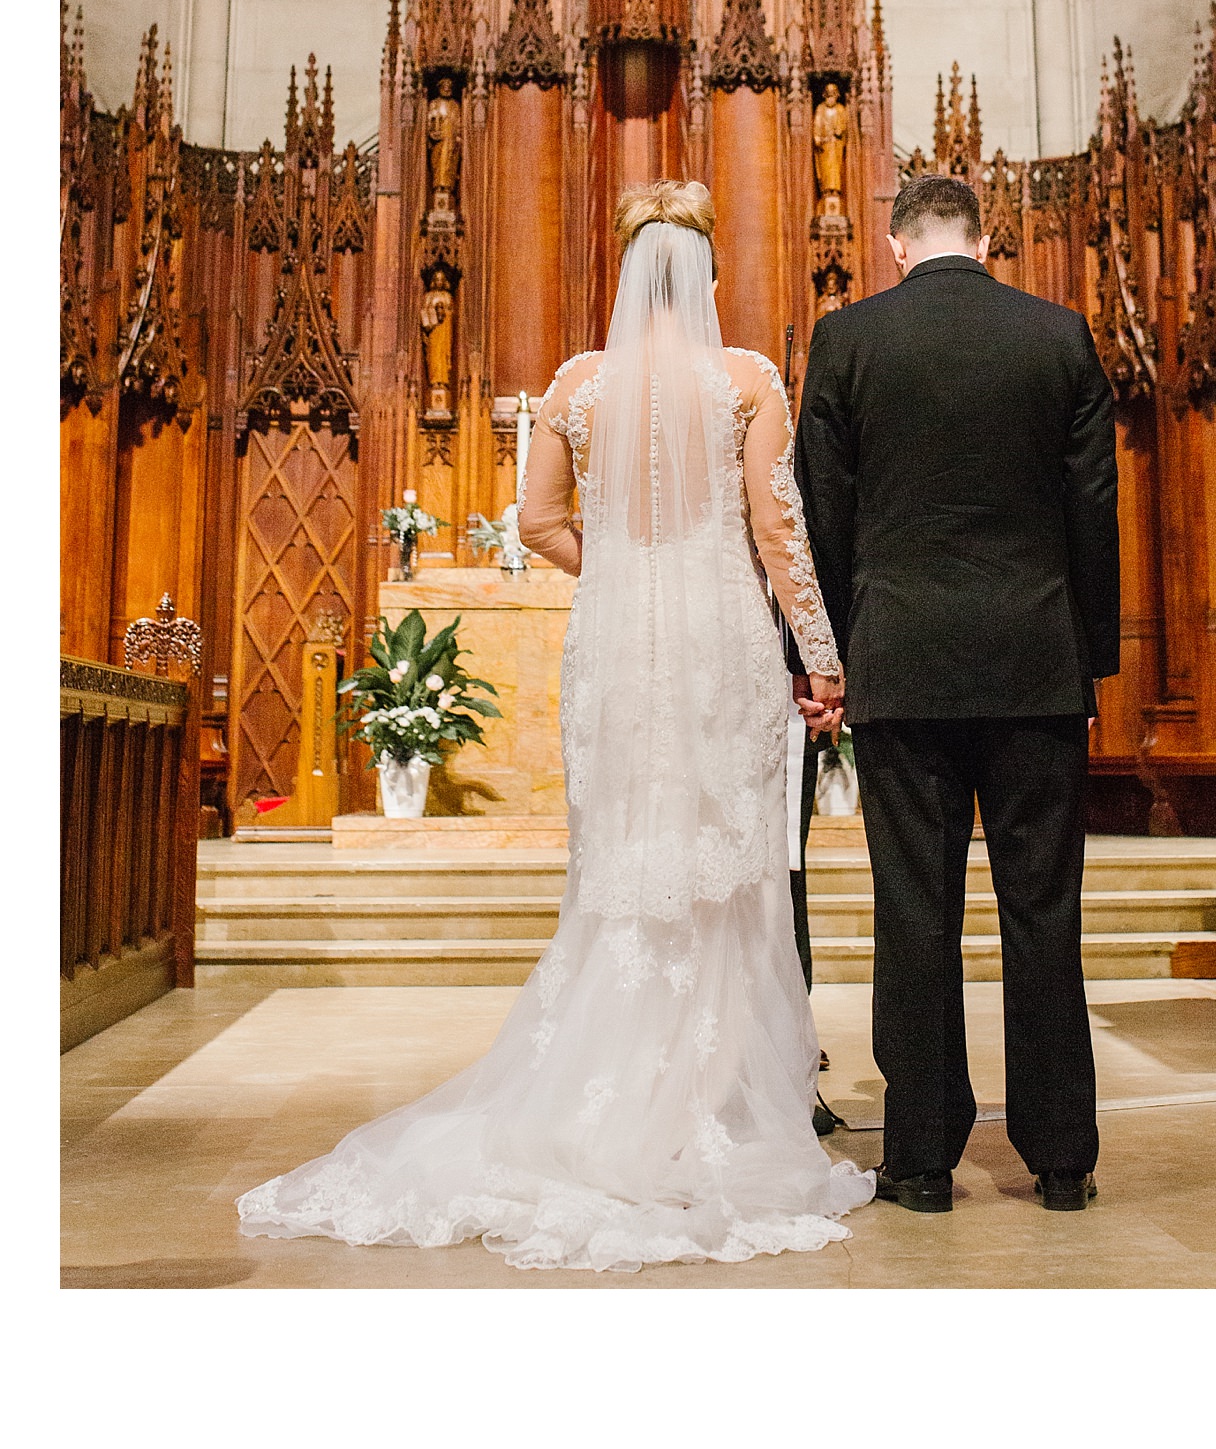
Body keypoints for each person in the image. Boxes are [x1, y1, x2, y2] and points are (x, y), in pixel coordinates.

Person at [237, 182, 873, 1273]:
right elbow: (778, 526)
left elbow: (536, 523)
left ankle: (610, 1088)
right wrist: (821, 654)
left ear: (624, 274)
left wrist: (624, 565)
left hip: (620, 643)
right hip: (722, 638)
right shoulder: (748, 379)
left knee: (626, 859)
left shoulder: (578, 385)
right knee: (725, 863)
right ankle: (714, 1103)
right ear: (707, 272)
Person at [794, 172, 1120, 1217]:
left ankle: (923, 1160)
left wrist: (833, 657)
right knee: (1043, 913)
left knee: (917, 913)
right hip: (1035, 664)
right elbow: (1093, 512)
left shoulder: (849, 340)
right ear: (989, 241)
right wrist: (1089, 660)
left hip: (905, 664)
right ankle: (1061, 1160)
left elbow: (823, 513)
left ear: (895, 245)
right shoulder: (1059, 335)